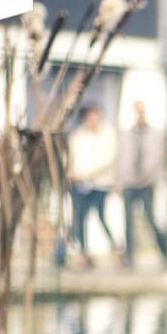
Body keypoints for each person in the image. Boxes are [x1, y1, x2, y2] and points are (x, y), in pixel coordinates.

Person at [65, 104, 120, 269]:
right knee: (80, 219)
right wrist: (71, 171)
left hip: (100, 184)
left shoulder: (108, 135)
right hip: (79, 184)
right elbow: (70, 156)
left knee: (102, 218)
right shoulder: (78, 135)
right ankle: (83, 254)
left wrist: (86, 174)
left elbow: (108, 161)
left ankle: (116, 250)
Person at [118, 100, 167, 270]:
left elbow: (159, 159)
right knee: (128, 222)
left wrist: (152, 178)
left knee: (150, 219)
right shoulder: (126, 134)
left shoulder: (156, 134)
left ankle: (165, 253)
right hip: (129, 182)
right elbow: (120, 159)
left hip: (147, 183)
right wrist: (120, 181)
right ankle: (130, 260)